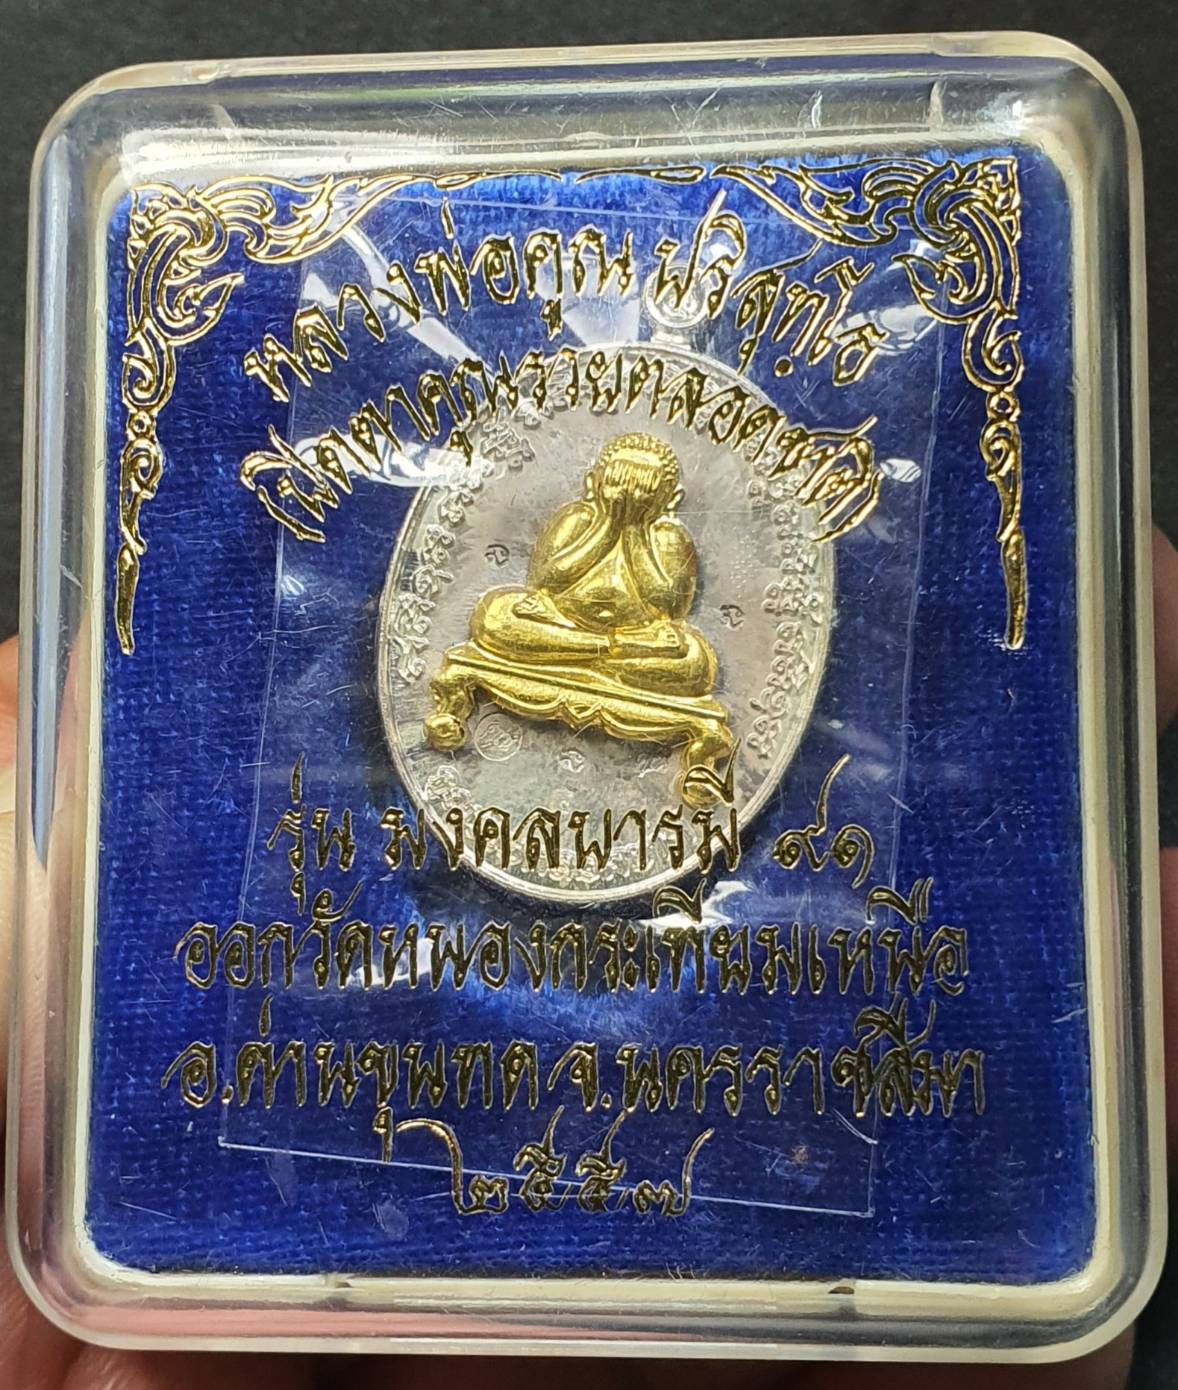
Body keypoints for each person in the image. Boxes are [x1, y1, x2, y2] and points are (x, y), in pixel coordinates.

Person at [3, 531, 1177, 1389]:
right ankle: (476, 710)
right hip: (559, 640)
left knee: (682, 659)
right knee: (506, 620)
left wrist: (634, 574)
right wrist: (587, 559)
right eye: (616, 483)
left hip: (635, 659)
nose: (622, 493)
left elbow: (663, 612)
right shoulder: (581, 526)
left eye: (634, 485)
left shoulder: (663, 540)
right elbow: (548, 585)